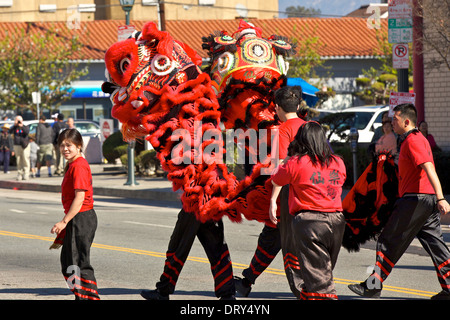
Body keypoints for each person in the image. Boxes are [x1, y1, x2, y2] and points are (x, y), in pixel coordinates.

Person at [348, 103, 450, 300]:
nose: (390, 123)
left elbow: (429, 168)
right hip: (422, 201)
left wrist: (441, 198)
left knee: (388, 240)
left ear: (406, 121)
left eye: (393, 120)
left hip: (415, 200)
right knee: (436, 245)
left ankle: (373, 286)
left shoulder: (413, 141)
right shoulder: (415, 139)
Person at [234, 86, 305, 298]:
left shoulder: (282, 131)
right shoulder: (313, 126)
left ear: (276, 108)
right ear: (299, 106)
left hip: (289, 197)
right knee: (272, 238)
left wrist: (273, 199)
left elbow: (281, 167)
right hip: (310, 194)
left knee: (284, 243)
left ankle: (305, 290)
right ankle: (247, 280)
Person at [269, 121, 346, 300]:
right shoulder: (338, 162)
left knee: (319, 281)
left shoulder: (297, 162)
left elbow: (276, 179)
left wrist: (289, 157)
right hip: (337, 221)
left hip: (310, 223)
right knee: (320, 273)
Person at [50, 128, 100, 300]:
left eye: (69, 145)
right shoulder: (73, 164)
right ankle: (81, 296)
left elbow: (80, 197)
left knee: (78, 263)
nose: (65, 149)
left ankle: (89, 297)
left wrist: (64, 222)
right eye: (62, 145)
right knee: (69, 263)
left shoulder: (78, 166)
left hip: (82, 218)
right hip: (77, 218)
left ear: (79, 146)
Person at [9, 116, 30, 181]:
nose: (18, 121)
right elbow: (9, 131)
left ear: (22, 120)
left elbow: (26, 132)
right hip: (17, 145)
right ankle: (19, 173)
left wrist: (22, 125)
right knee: (18, 160)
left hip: (24, 145)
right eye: (17, 120)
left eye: (19, 120)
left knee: (25, 159)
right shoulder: (15, 127)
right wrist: (15, 125)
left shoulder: (25, 126)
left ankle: (26, 174)